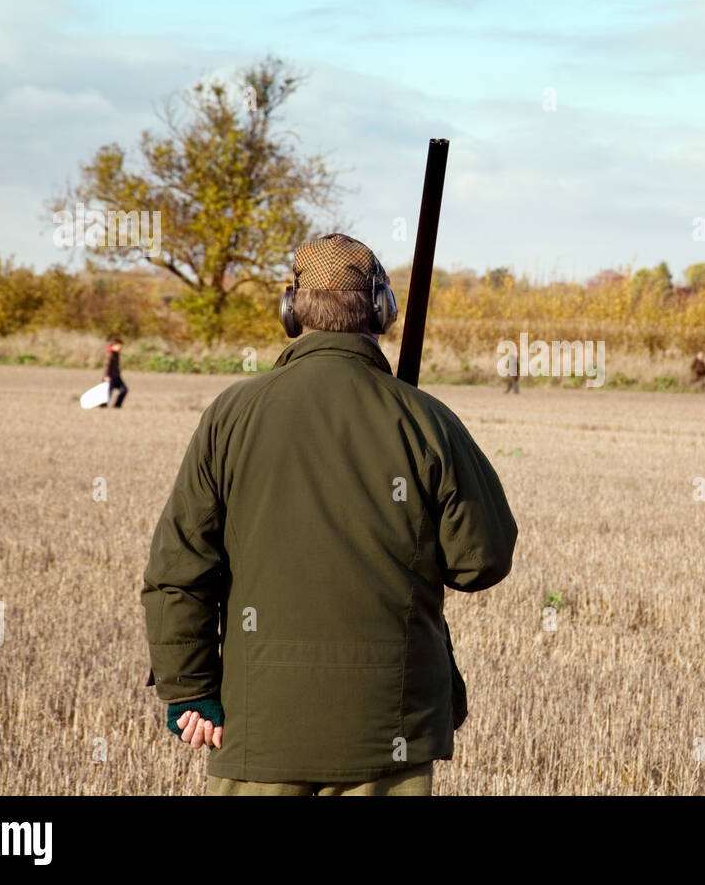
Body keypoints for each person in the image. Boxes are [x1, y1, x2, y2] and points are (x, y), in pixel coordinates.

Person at [141, 233, 518, 796]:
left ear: (291, 310)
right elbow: (481, 562)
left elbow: (179, 569)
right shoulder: (427, 420)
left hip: (257, 731)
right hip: (389, 733)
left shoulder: (231, 415)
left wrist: (189, 688)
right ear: (382, 309)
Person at [101, 337, 127, 408]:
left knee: (124, 390)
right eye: (119, 345)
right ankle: (102, 406)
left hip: (117, 377)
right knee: (107, 393)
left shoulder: (116, 354)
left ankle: (117, 406)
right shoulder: (110, 354)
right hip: (110, 377)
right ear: (114, 345)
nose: (120, 347)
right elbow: (107, 366)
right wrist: (106, 376)